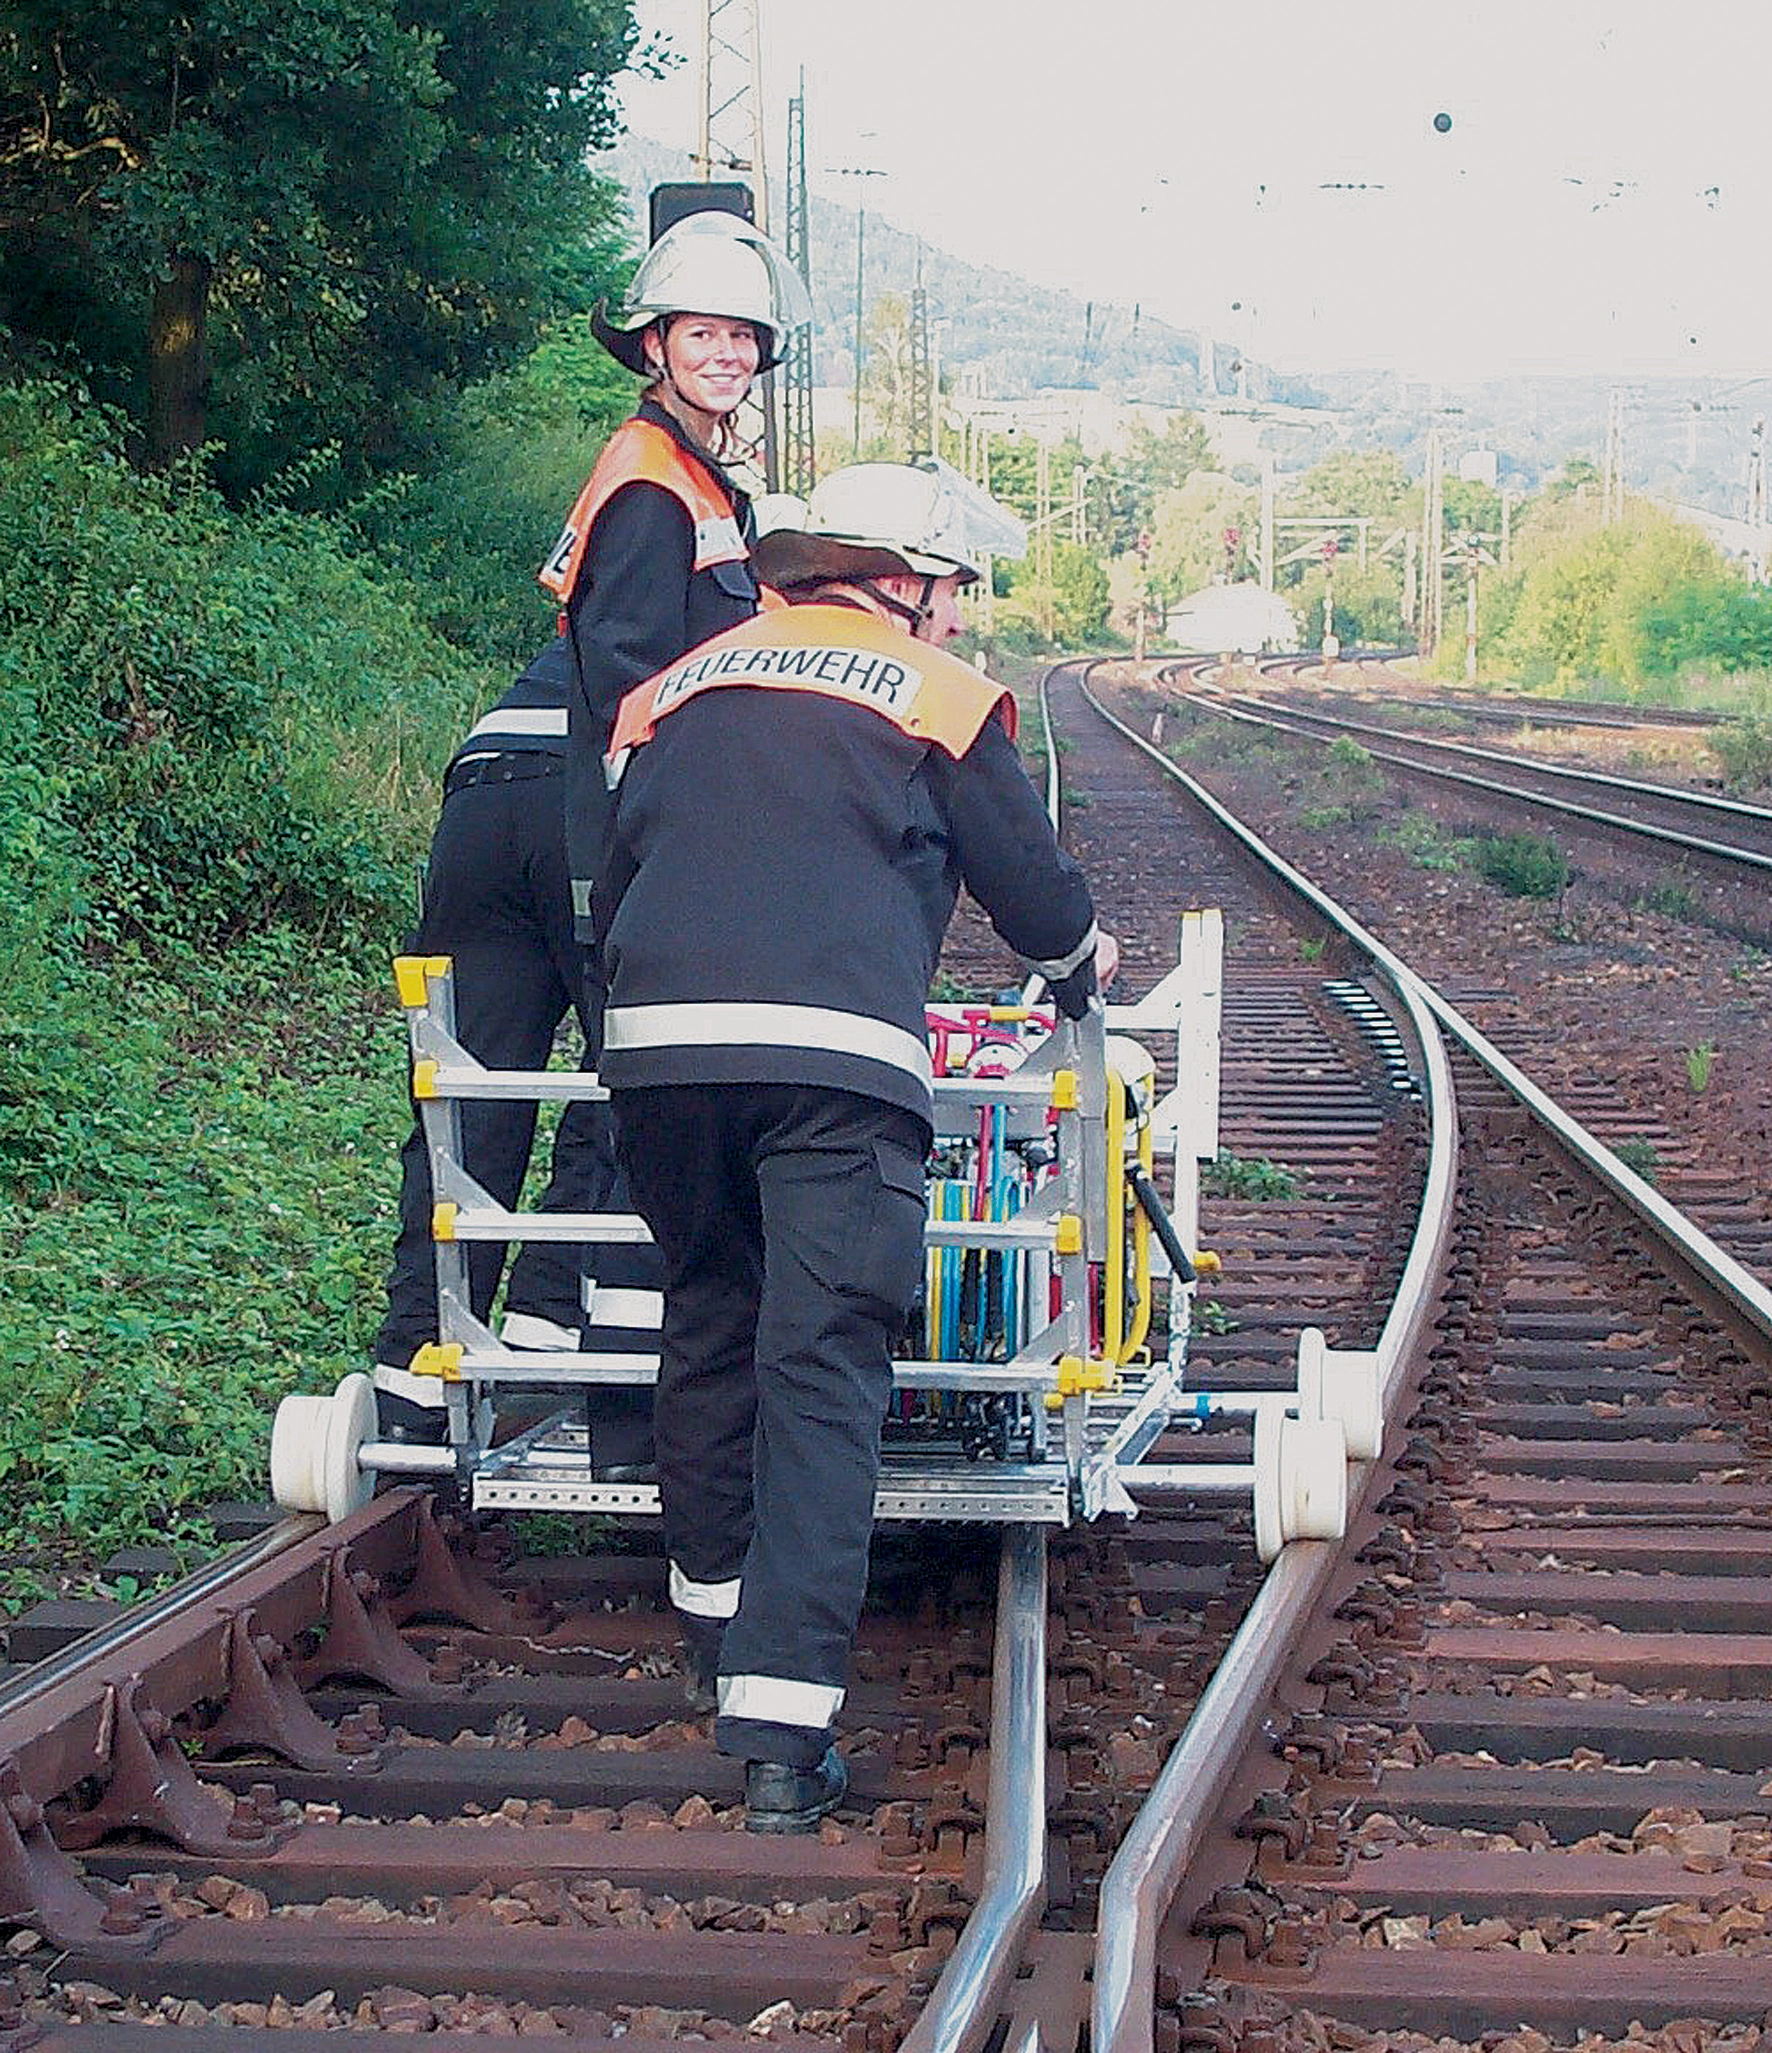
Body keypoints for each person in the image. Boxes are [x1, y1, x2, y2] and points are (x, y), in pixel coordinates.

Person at [595, 463, 1116, 1833]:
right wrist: (1079, 961)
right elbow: (1030, 891)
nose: (957, 618)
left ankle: (715, 1626)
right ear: (903, 580)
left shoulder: (678, 685)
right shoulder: (936, 698)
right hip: (830, 1065)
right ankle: (781, 1731)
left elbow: (628, 856)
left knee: (712, 1318)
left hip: (658, 1055)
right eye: (954, 592)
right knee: (823, 1363)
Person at [370, 209, 810, 1458]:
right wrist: (674, 848)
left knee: (480, 1087)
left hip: (489, 792)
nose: (724, 353)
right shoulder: (658, 482)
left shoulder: (689, 479)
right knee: (639, 1069)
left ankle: (425, 1357)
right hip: (576, 805)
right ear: (656, 343)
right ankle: (586, 1345)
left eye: (742, 337)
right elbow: (627, 674)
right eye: (704, 334)